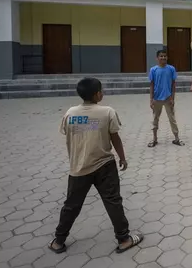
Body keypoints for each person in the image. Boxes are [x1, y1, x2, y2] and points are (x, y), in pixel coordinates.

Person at [48, 78, 143, 254]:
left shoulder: (70, 113)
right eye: (101, 90)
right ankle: (123, 239)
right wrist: (122, 158)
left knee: (71, 205)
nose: (103, 93)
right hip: (104, 165)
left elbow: (69, 135)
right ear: (96, 94)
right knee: (113, 201)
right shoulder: (107, 112)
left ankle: (58, 240)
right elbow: (115, 138)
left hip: (78, 167)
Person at [148, 49, 182, 147]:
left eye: (165, 56)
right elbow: (151, 85)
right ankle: (154, 139)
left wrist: (172, 98)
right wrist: (151, 99)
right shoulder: (153, 70)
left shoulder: (171, 69)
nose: (163, 58)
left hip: (168, 98)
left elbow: (173, 84)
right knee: (155, 119)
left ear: (167, 57)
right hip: (156, 99)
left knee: (172, 119)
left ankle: (177, 138)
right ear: (157, 58)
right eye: (161, 56)